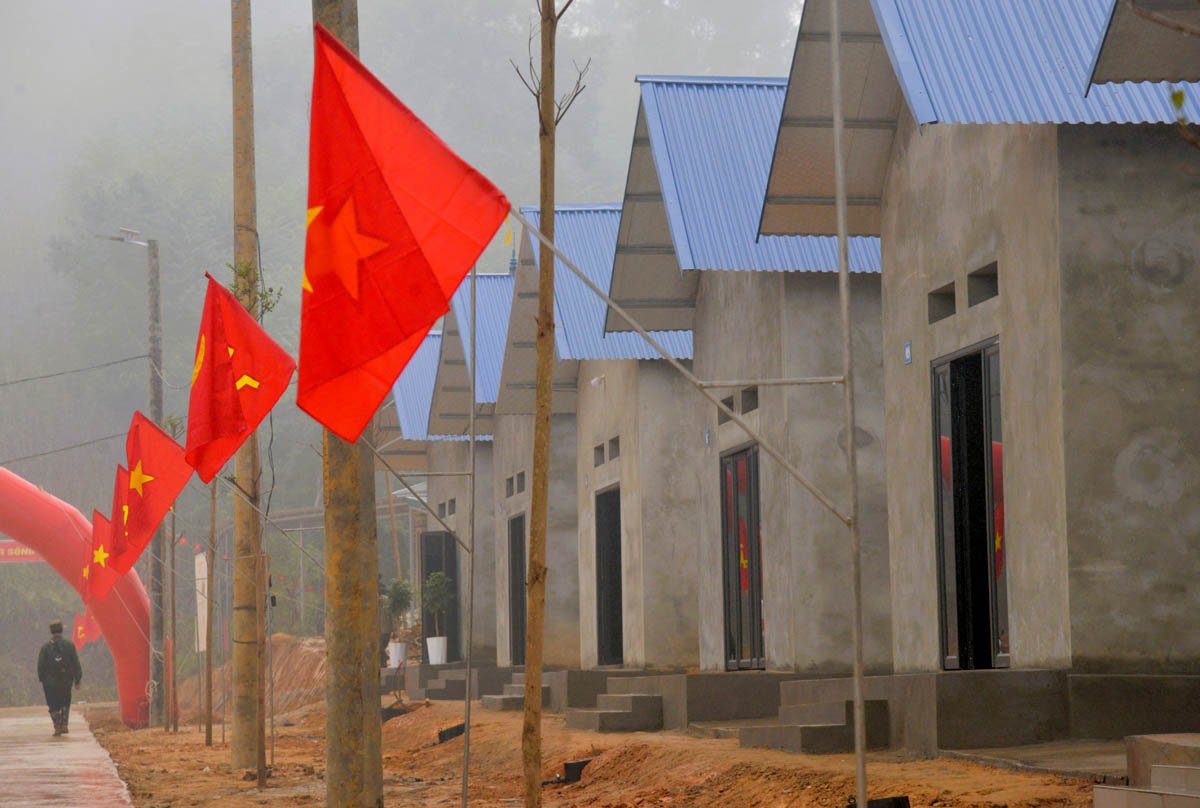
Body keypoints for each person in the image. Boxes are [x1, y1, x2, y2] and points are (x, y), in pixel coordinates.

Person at [37, 620, 82, 736]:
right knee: (65, 702)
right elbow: (76, 663)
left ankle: (57, 726)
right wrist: (77, 679)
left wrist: (42, 679)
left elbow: (40, 665)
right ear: (62, 630)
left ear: (51, 631)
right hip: (66, 680)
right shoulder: (69, 645)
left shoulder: (45, 648)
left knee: (53, 703)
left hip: (49, 682)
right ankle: (64, 725)